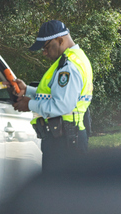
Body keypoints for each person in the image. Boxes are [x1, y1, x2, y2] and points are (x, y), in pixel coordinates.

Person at [9, 20, 93, 172]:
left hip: (65, 142)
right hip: (68, 138)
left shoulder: (68, 67)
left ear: (60, 40)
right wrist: (27, 90)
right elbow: (55, 96)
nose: (44, 53)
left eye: (46, 47)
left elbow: (61, 105)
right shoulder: (75, 59)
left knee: (59, 193)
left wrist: (29, 104)